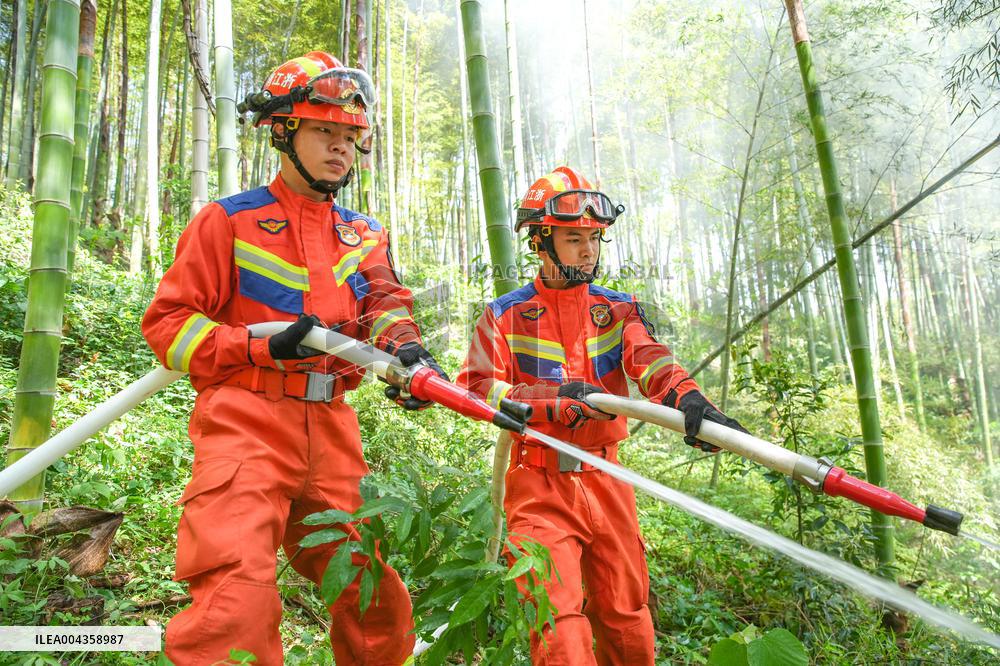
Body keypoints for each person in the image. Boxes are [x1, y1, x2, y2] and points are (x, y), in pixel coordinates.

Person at [142, 51, 446, 665]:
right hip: (245, 423)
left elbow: (386, 305)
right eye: (324, 131)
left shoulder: (364, 235)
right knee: (236, 599)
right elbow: (168, 326)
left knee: (371, 592)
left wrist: (406, 353)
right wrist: (259, 343)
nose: (341, 147)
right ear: (282, 130)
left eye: (349, 136)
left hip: (333, 431)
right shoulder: (227, 221)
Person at [456, 166, 747, 665]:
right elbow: (478, 388)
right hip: (539, 482)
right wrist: (551, 400)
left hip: (608, 478)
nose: (588, 250)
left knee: (626, 616)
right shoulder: (504, 315)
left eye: (594, 238)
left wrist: (689, 399)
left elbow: (650, 359)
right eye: (574, 238)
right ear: (540, 242)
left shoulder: (619, 310)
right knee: (558, 624)